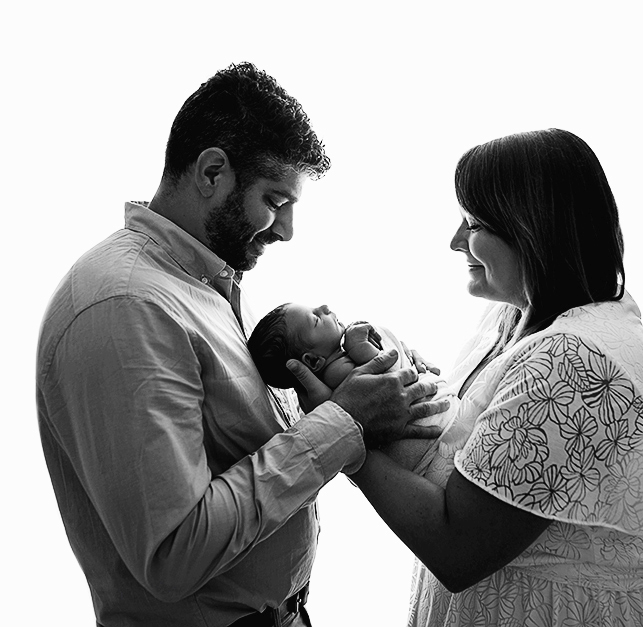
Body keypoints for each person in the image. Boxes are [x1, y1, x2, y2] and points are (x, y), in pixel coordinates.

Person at [34, 62, 444, 627]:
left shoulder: (211, 288)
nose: (287, 230)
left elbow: (250, 450)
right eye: (276, 201)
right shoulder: (127, 306)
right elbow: (175, 554)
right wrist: (343, 424)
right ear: (211, 171)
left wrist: (350, 398)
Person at [289, 129, 643, 626]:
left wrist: (348, 431)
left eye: (473, 223)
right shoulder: (518, 315)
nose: (455, 242)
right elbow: (479, 438)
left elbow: (459, 548)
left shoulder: (573, 362)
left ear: (533, 229)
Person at [248, 302, 459, 471]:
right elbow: (388, 377)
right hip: (436, 442)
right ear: (313, 361)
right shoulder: (337, 373)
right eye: (315, 319)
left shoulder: (339, 365)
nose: (324, 307)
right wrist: (359, 346)